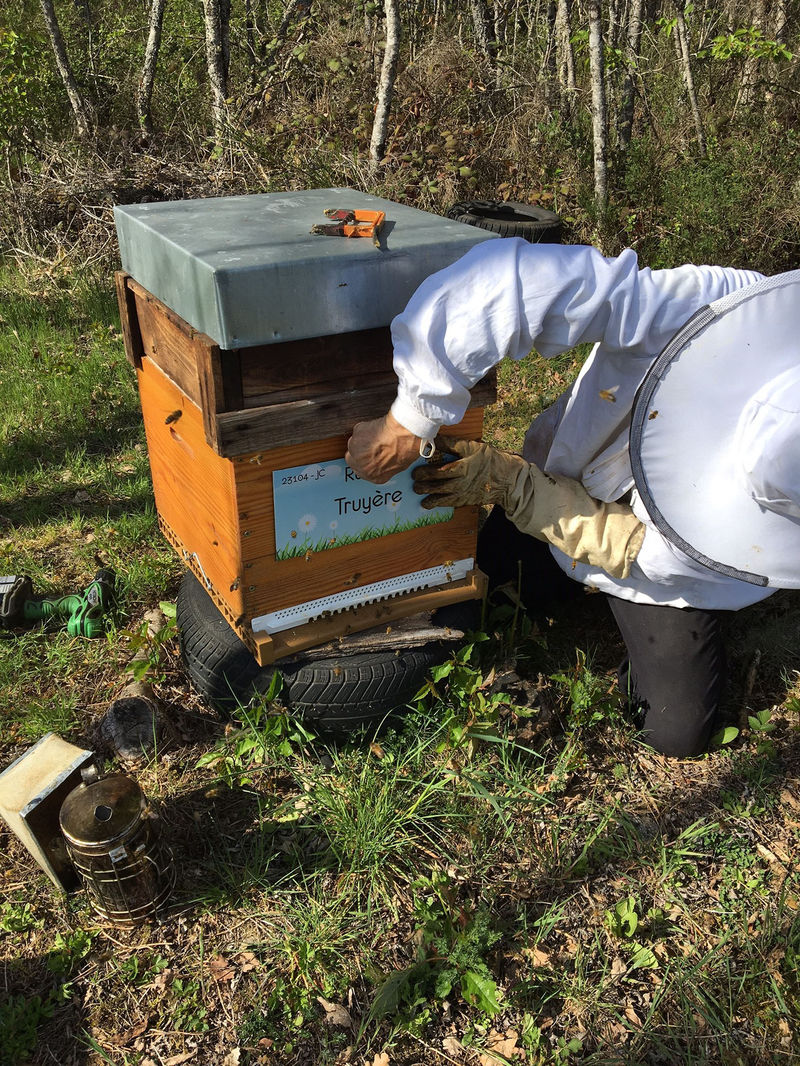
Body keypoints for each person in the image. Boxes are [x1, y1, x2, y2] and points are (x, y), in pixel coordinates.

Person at [345, 239, 800, 758]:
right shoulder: (718, 308)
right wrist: (410, 419)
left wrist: (511, 485)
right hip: (572, 471)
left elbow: (638, 550)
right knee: (475, 598)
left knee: (676, 732)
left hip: (672, 572)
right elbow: (514, 282)